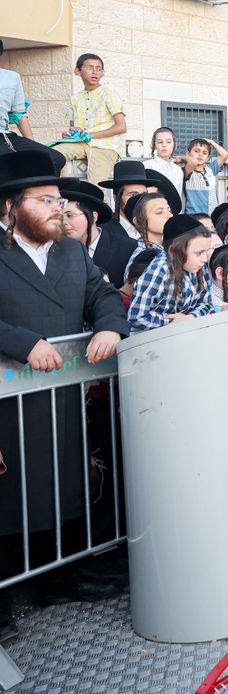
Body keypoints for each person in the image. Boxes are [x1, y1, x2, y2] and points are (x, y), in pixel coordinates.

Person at [0, 149, 128, 583]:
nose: (58, 209)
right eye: (44, 200)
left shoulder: (72, 253)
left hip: (62, 399)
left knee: (61, 483)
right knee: (13, 493)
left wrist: (110, 326)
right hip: (10, 405)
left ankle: (60, 575)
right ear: (10, 207)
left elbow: (105, 297)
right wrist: (23, 342)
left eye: (59, 200)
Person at [128, 215, 219, 330]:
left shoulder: (200, 266)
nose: (205, 259)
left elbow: (206, 303)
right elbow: (137, 317)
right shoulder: (159, 271)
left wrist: (190, 317)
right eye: (198, 253)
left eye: (206, 251)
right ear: (173, 251)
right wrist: (172, 320)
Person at [52, 53, 125, 184]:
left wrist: (90, 135)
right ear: (77, 71)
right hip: (81, 143)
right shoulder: (75, 98)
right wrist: (70, 134)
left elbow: (121, 127)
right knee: (54, 154)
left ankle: (100, 204)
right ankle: (65, 190)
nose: (95, 72)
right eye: (90, 68)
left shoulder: (109, 95)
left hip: (105, 146)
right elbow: (74, 128)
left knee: (97, 187)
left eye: (99, 69)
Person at [59, 178, 131, 284]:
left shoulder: (126, 248)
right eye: (60, 217)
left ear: (93, 217)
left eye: (70, 215)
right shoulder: (55, 249)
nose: (64, 222)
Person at [181, 137, 226, 215]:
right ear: (188, 153)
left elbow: (224, 155)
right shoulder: (187, 171)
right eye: (196, 151)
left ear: (208, 158)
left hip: (211, 215)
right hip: (193, 215)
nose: (200, 154)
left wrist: (212, 142)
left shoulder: (211, 169)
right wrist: (183, 158)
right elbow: (193, 162)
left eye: (204, 153)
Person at [142, 127, 183, 191]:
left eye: (168, 142)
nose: (164, 145)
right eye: (160, 142)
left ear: (175, 144)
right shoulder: (147, 166)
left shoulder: (178, 170)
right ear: (154, 145)